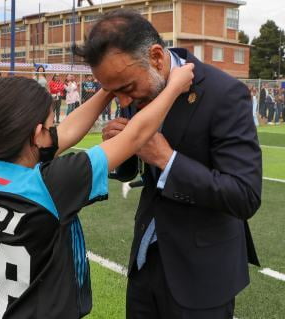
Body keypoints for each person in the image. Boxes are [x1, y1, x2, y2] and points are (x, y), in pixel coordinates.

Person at [0, 62, 193, 318]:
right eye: (50, 127)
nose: (56, 133)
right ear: (37, 135)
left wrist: (107, 90)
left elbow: (67, 131)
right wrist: (174, 86)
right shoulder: (51, 184)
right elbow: (135, 136)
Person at [75, 9, 262, 318]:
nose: (122, 102)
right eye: (113, 91)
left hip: (202, 274)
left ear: (157, 57)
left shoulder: (225, 93)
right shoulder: (137, 85)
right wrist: (120, 149)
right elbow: (136, 167)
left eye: (126, 89)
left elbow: (245, 195)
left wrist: (167, 158)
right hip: (145, 263)